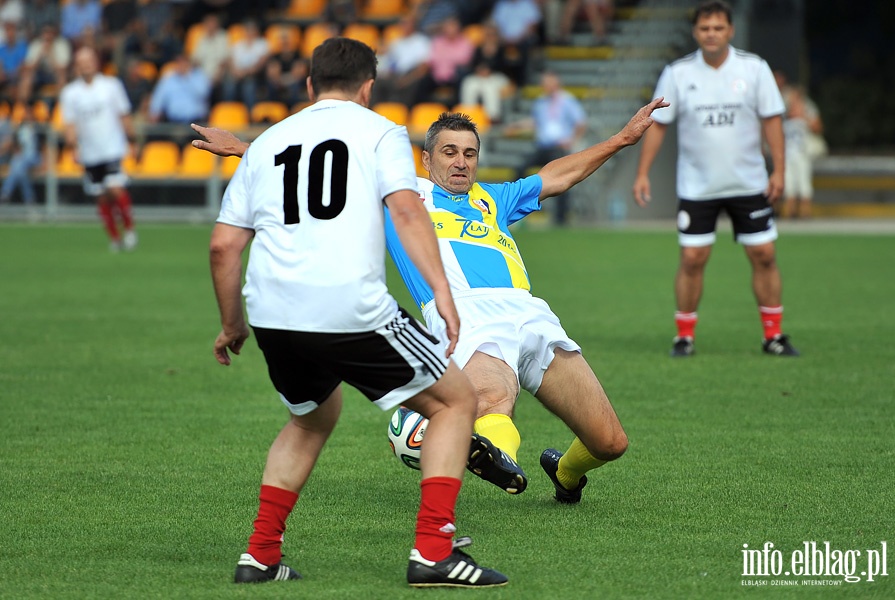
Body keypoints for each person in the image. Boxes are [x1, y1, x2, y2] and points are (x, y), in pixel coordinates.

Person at [193, 90, 667, 506]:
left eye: (469, 153)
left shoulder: (494, 198)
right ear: (427, 159)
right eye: (449, 152)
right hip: (464, 313)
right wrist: (240, 149)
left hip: (531, 312)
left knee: (609, 442)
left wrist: (623, 139)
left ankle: (563, 472)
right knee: (492, 398)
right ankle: (495, 459)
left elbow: (558, 175)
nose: (461, 162)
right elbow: (317, 168)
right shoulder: (404, 194)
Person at [208, 37, 507, 588]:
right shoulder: (381, 133)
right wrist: (441, 289)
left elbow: (224, 247)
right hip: (351, 308)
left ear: (309, 86)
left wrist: (232, 325)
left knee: (312, 417)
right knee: (456, 401)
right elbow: (407, 211)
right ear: (368, 87)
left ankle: (260, 556)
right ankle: (434, 553)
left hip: (275, 314)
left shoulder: (267, 142)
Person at [631, 0, 799, 358]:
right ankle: (684, 336)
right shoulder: (677, 73)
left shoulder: (754, 69)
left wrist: (779, 171)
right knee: (692, 258)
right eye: (705, 28)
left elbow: (772, 120)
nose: (711, 34)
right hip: (697, 186)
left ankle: (774, 336)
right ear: (695, 32)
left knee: (764, 255)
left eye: (718, 28)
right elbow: (657, 125)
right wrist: (643, 172)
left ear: (730, 31)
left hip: (749, 183)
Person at [60, 46, 137, 252]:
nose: (85, 65)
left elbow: (124, 114)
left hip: (112, 147)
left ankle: (129, 229)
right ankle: (114, 238)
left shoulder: (111, 85)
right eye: (81, 61)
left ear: (96, 62)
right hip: (90, 153)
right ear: (77, 65)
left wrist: (132, 140)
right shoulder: (70, 93)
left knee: (115, 189)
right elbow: (70, 124)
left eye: (89, 60)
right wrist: (73, 147)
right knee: (101, 196)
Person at [506, 70, 587, 225]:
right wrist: (517, 126)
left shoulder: (567, 101)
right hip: (542, 147)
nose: (545, 86)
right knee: (520, 170)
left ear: (556, 83)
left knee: (562, 182)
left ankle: (560, 220)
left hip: (558, 147)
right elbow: (535, 122)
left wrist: (571, 140)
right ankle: (513, 211)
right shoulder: (540, 102)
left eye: (548, 82)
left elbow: (581, 122)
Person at [781, 85, 822, 220]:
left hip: (802, 154)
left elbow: (818, 128)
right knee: (789, 183)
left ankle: (805, 212)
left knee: (804, 183)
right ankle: (790, 212)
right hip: (787, 155)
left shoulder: (807, 113)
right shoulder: (784, 115)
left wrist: (803, 116)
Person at [0, 103, 40, 206]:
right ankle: (30, 199)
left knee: (17, 164)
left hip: (35, 157)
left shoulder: (38, 128)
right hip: (22, 158)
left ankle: (6, 192)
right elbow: (15, 145)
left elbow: (44, 146)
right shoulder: (20, 128)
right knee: (20, 171)